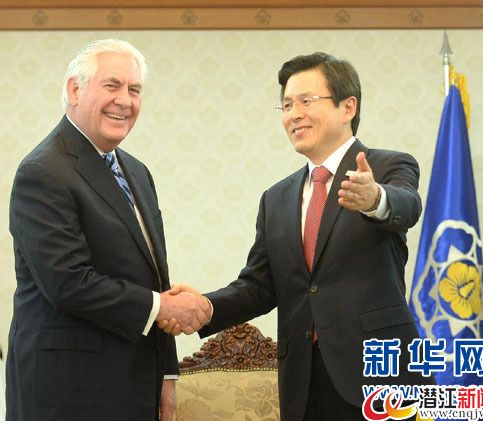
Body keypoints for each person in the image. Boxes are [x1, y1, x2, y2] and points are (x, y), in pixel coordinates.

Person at [162, 52, 432, 421]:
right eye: (287, 105)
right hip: (303, 383)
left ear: (348, 107)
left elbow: (407, 205)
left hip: (380, 377)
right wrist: (207, 307)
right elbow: (260, 286)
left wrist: (375, 199)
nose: (293, 114)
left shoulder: (387, 166)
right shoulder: (276, 198)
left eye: (306, 101)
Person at [6, 39, 210, 421]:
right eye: (112, 85)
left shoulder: (137, 171)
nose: (125, 101)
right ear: (74, 90)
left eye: (134, 90)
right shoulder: (43, 171)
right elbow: (68, 283)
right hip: (67, 393)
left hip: (134, 383)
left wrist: (166, 372)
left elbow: (155, 277)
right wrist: (163, 307)